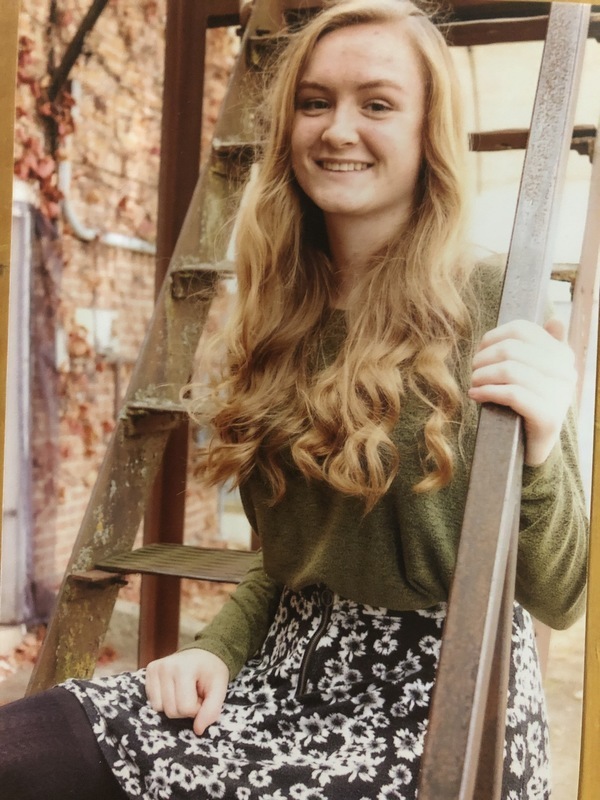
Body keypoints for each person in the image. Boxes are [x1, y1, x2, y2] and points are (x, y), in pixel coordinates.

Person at [0, 1, 588, 798]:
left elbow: (561, 593)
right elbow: (290, 566)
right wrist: (216, 649)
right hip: (284, 673)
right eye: (316, 102)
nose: (339, 130)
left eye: (377, 104)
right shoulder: (283, 309)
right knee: (21, 749)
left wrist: (543, 447)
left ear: (427, 133)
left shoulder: (492, 299)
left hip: (441, 705)